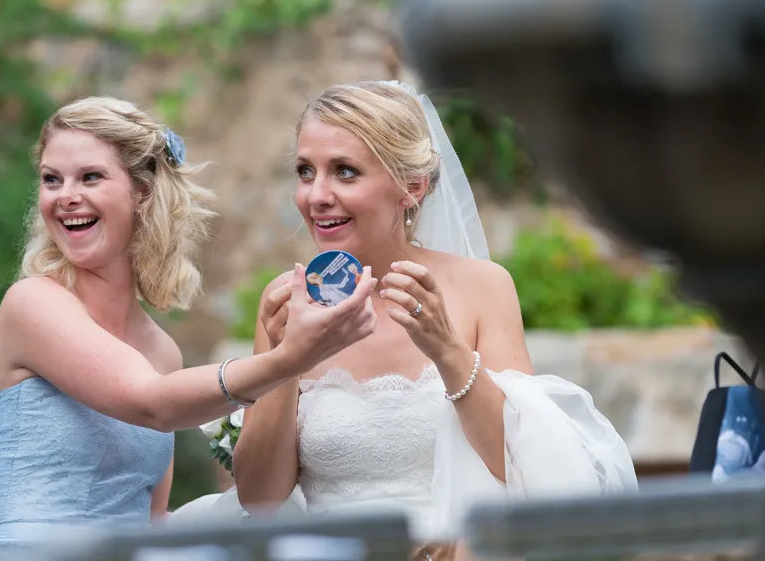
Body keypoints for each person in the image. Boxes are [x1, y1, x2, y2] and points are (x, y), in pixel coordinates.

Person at [172, 81, 637, 560]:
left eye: (345, 172)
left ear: (411, 187)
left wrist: (447, 351)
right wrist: (286, 358)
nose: (317, 195)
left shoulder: (482, 287)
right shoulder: (288, 304)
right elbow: (261, 499)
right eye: (305, 172)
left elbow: (519, 462)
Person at [0, 96, 379, 560]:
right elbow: (151, 404)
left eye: (90, 177)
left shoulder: (161, 352)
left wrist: (241, 513)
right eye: (51, 179)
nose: (65, 196)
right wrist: (289, 360)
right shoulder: (32, 305)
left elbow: (150, 521)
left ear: (142, 192)